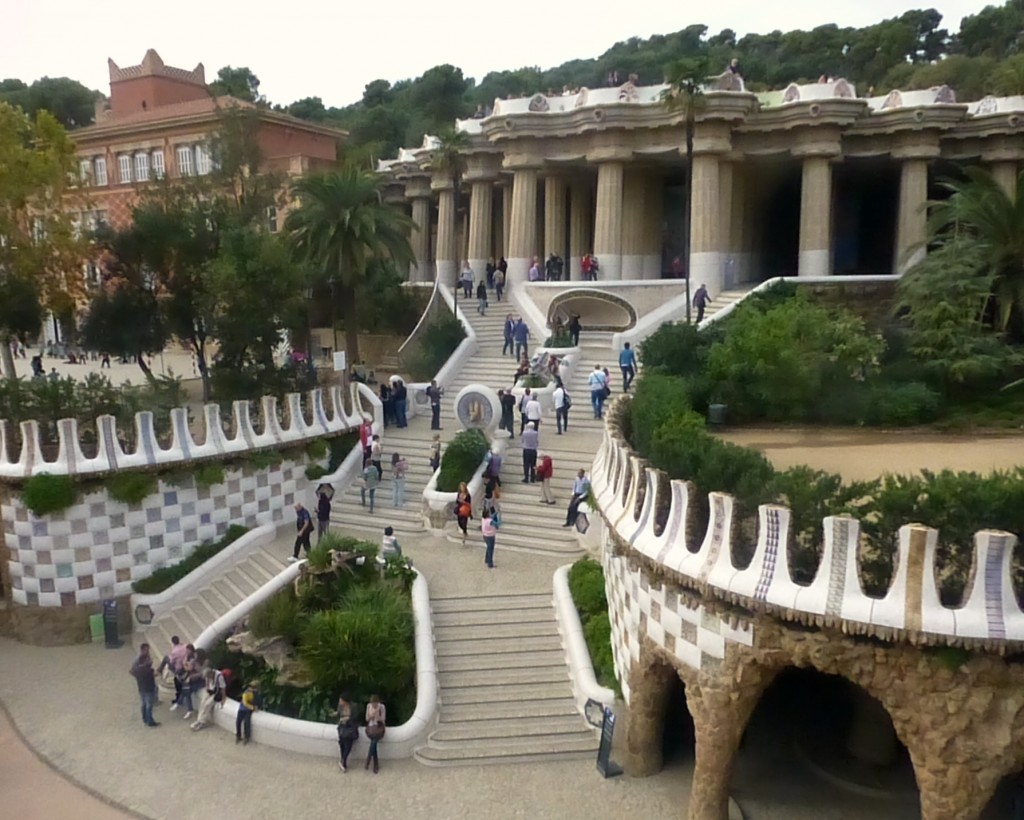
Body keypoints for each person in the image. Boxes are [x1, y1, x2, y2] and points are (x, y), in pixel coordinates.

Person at [129, 643, 160, 727]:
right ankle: (150, 721)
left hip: (141, 687)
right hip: (148, 688)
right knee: (149, 705)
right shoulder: (147, 669)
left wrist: (138, 677)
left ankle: (145, 718)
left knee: (143, 703)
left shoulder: (139, 669)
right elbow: (153, 674)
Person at [191, 665, 226, 731]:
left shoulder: (219, 676)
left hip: (216, 693)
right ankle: (199, 720)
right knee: (202, 703)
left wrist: (223, 698)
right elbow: (207, 684)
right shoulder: (207, 677)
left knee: (207, 705)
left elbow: (223, 688)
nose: (207, 678)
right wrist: (207, 690)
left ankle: (202, 722)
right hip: (210, 691)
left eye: (208, 676)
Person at [158, 635, 188, 710]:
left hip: (178, 668)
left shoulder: (174, 651)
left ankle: (159, 670)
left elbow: (172, 661)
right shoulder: (184, 646)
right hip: (184, 667)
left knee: (166, 658)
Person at [336, 694, 359, 772]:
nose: (340, 702)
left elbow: (356, 717)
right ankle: (343, 761)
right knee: (341, 741)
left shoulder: (354, 707)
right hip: (342, 726)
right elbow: (338, 716)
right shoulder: (340, 707)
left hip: (351, 726)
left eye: (341, 700)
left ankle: (343, 759)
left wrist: (348, 719)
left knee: (348, 742)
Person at [365, 695, 386, 773]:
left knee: (373, 741)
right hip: (371, 727)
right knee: (374, 742)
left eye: (375, 704)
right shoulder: (368, 706)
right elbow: (366, 719)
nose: (373, 705)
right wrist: (371, 716)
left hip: (379, 727)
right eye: (372, 704)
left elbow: (383, 719)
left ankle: (369, 758)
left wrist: (377, 716)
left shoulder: (382, 707)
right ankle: (375, 763)